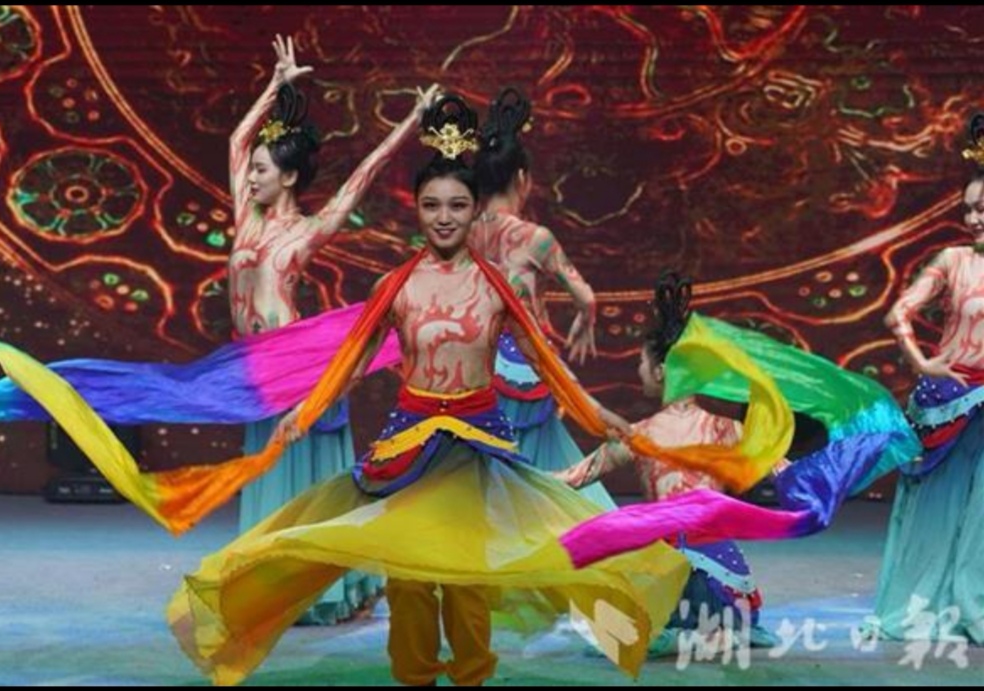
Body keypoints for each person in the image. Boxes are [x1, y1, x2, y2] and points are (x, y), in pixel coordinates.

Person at [166, 93, 691, 687]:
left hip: (475, 443)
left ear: (474, 210)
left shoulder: (495, 286)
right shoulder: (396, 286)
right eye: (432, 205)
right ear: (416, 209)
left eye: (457, 205)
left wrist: (597, 415)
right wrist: (306, 411)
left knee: (466, 575)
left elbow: (545, 363)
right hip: (409, 443)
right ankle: (414, 677)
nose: (444, 217)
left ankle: (471, 676)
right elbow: (353, 362)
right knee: (410, 575)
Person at [229, 35, 438, 623]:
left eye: (263, 171)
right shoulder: (245, 216)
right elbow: (236, 141)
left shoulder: (306, 231)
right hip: (254, 365)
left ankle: (318, 586)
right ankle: (274, 576)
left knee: (303, 471)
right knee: (269, 468)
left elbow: (363, 178)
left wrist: (410, 122)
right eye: (252, 170)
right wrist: (275, 86)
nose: (251, 177)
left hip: (294, 362)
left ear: (289, 177)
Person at [556, 272, 782, 656]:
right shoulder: (729, 430)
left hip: (670, 576)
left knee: (619, 616)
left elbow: (571, 479)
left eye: (641, 363)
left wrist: (509, 474)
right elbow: (789, 473)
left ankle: (678, 632)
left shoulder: (639, 436)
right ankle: (712, 634)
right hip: (727, 586)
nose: (638, 371)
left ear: (660, 372)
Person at [469, 87, 614, 509]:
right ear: (521, 178)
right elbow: (585, 296)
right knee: (537, 469)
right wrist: (584, 322)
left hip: (475, 364)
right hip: (526, 366)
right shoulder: (536, 239)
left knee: (484, 468)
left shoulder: (462, 234)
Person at [869, 113, 983, 644]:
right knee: (937, 507)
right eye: (969, 209)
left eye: (982, 208)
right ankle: (924, 603)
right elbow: (898, 313)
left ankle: (974, 603)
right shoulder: (952, 260)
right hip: (954, 400)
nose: (974, 218)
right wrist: (924, 364)